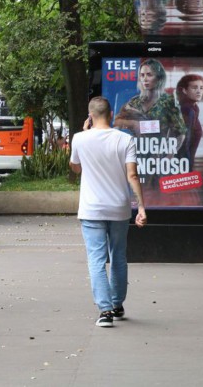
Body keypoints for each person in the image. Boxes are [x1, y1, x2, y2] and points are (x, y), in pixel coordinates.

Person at [70, 96, 147, 328]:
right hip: (119, 208)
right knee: (118, 256)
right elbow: (132, 175)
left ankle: (105, 312)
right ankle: (117, 304)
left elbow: (75, 168)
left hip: (91, 209)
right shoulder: (125, 139)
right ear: (111, 114)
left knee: (96, 259)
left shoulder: (79, 139)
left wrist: (83, 134)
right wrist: (141, 206)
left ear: (90, 116)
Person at [113, 58, 186, 146]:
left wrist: (169, 156)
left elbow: (181, 133)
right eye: (142, 75)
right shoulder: (135, 101)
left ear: (159, 77)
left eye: (149, 75)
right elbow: (117, 122)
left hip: (160, 153)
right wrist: (134, 124)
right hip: (135, 152)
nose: (145, 79)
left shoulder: (169, 101)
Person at [175, 74, 203, 170]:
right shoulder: (187, 109)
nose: (199, 91)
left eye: (201, 88)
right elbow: (185, 140)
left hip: (186, 160)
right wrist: (187, 165)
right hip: (183, 161)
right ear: (184, 90)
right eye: (194, 87)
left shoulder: (194, 108)